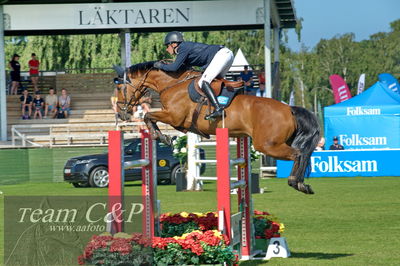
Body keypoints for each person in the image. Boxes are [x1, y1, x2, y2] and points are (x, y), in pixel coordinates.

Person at [153, 31, 234, 120]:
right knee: (215, 83)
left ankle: (218, 109)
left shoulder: (183, 48)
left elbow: (174, 68)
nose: (166, 49)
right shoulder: (184, 49)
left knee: (203, 82)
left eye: (167, 46)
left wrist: (160, 66)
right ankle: (224, 105)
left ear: (174, 44)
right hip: (226, 55)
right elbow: (184, 68)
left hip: (221, 56)